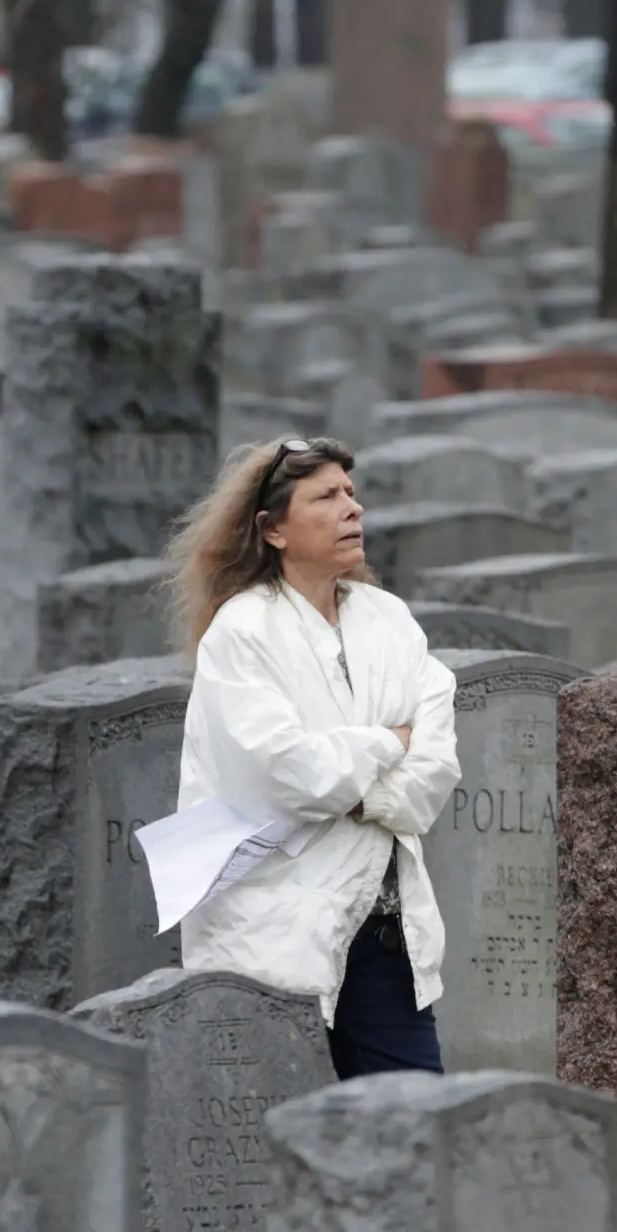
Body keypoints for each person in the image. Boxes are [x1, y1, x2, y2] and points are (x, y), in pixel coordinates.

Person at [168, 435, 461, 1078]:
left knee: (411, 1136)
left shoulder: (389, 620)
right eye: (326, 496)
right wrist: (390, 741)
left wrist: (363, 791)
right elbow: (293, 773)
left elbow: (433, 775)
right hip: (275, 930)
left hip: (387, 935)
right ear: (272, 530)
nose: (351, 508)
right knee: (276, 1141)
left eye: (351, 493)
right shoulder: (242, 633)